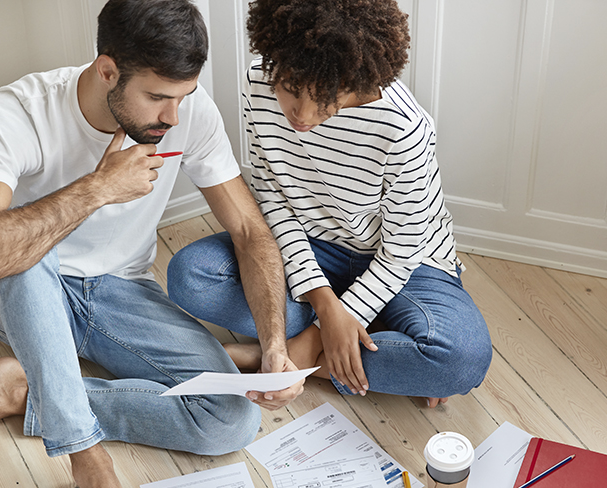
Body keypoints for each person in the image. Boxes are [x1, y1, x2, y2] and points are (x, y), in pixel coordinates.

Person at [0, 0, 303, 488]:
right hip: (20, 288)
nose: (173, 115)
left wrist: (273, 344)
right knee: (22, 250)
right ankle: (90, 465)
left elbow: (249, 232)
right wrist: (96, 189)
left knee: (230, 422)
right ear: (106, 71)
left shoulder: (187, 113)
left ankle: (25, 392)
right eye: (157, 97)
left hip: (120, 292)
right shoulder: (19, 110)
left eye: (184, 94)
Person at [168, 0, 492, 408]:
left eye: (323, 97)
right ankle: (364, 342)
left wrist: (316, 335)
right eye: (288, 88)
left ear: (354, 78)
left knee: (460, 360)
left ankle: (286, 356)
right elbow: (273, 201)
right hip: (313, 249)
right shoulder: (258, 85)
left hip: (407, 265)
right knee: (190, 276)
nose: (300, 114)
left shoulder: (403, 127)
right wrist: (323, 300)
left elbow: (403, 249)